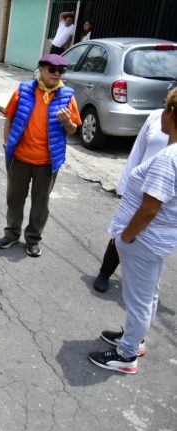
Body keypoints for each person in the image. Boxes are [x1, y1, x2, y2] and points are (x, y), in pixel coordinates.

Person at [88, 88, 177, 375]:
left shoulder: (168, 160)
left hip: (145, 239)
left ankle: (126, 355)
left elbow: (150, 208)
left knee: (138, 299)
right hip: (159, 239)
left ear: (172, 114)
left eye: (165, 107)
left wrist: (126, 236)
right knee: (149, 293)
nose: (161, 112)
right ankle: (133, 339)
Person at [0, 54, 81, 257]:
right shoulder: (24, 90)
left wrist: (67, 122)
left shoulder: (67, 96)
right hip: (20, 158)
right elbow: (9, 118)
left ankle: (33, 239)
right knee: (14, 199)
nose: (57, 74)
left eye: (61, 71)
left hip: (48, 162)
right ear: (41, 70)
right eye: (52, 70)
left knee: (41, 203)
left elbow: (73, 129)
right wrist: (7, 144)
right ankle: (12, 233)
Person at [92, 109, 169, 292]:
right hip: (140, 188)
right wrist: (125, 185)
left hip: (167, 196)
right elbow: (137, 152)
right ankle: (105, 272)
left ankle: (143, 283)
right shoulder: (157, 116)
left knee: (154, 242)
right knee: (122, 232)